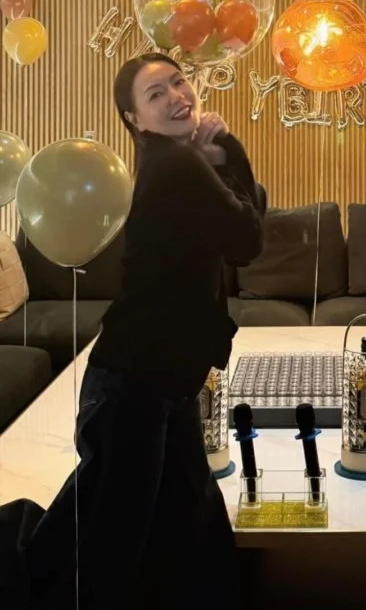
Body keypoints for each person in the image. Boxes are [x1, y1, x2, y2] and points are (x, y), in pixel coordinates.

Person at [23, 53, 266, 609]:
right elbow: (248, 241)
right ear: (134, 119)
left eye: (178, 82)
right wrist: (231, 152)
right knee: (116, 547)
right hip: (135, 385)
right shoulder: (176, 165)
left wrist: (215, 162)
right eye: (156, 94)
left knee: (178, 517)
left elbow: (236, 231)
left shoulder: (171, 163)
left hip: (152, 381)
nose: (177, 96)